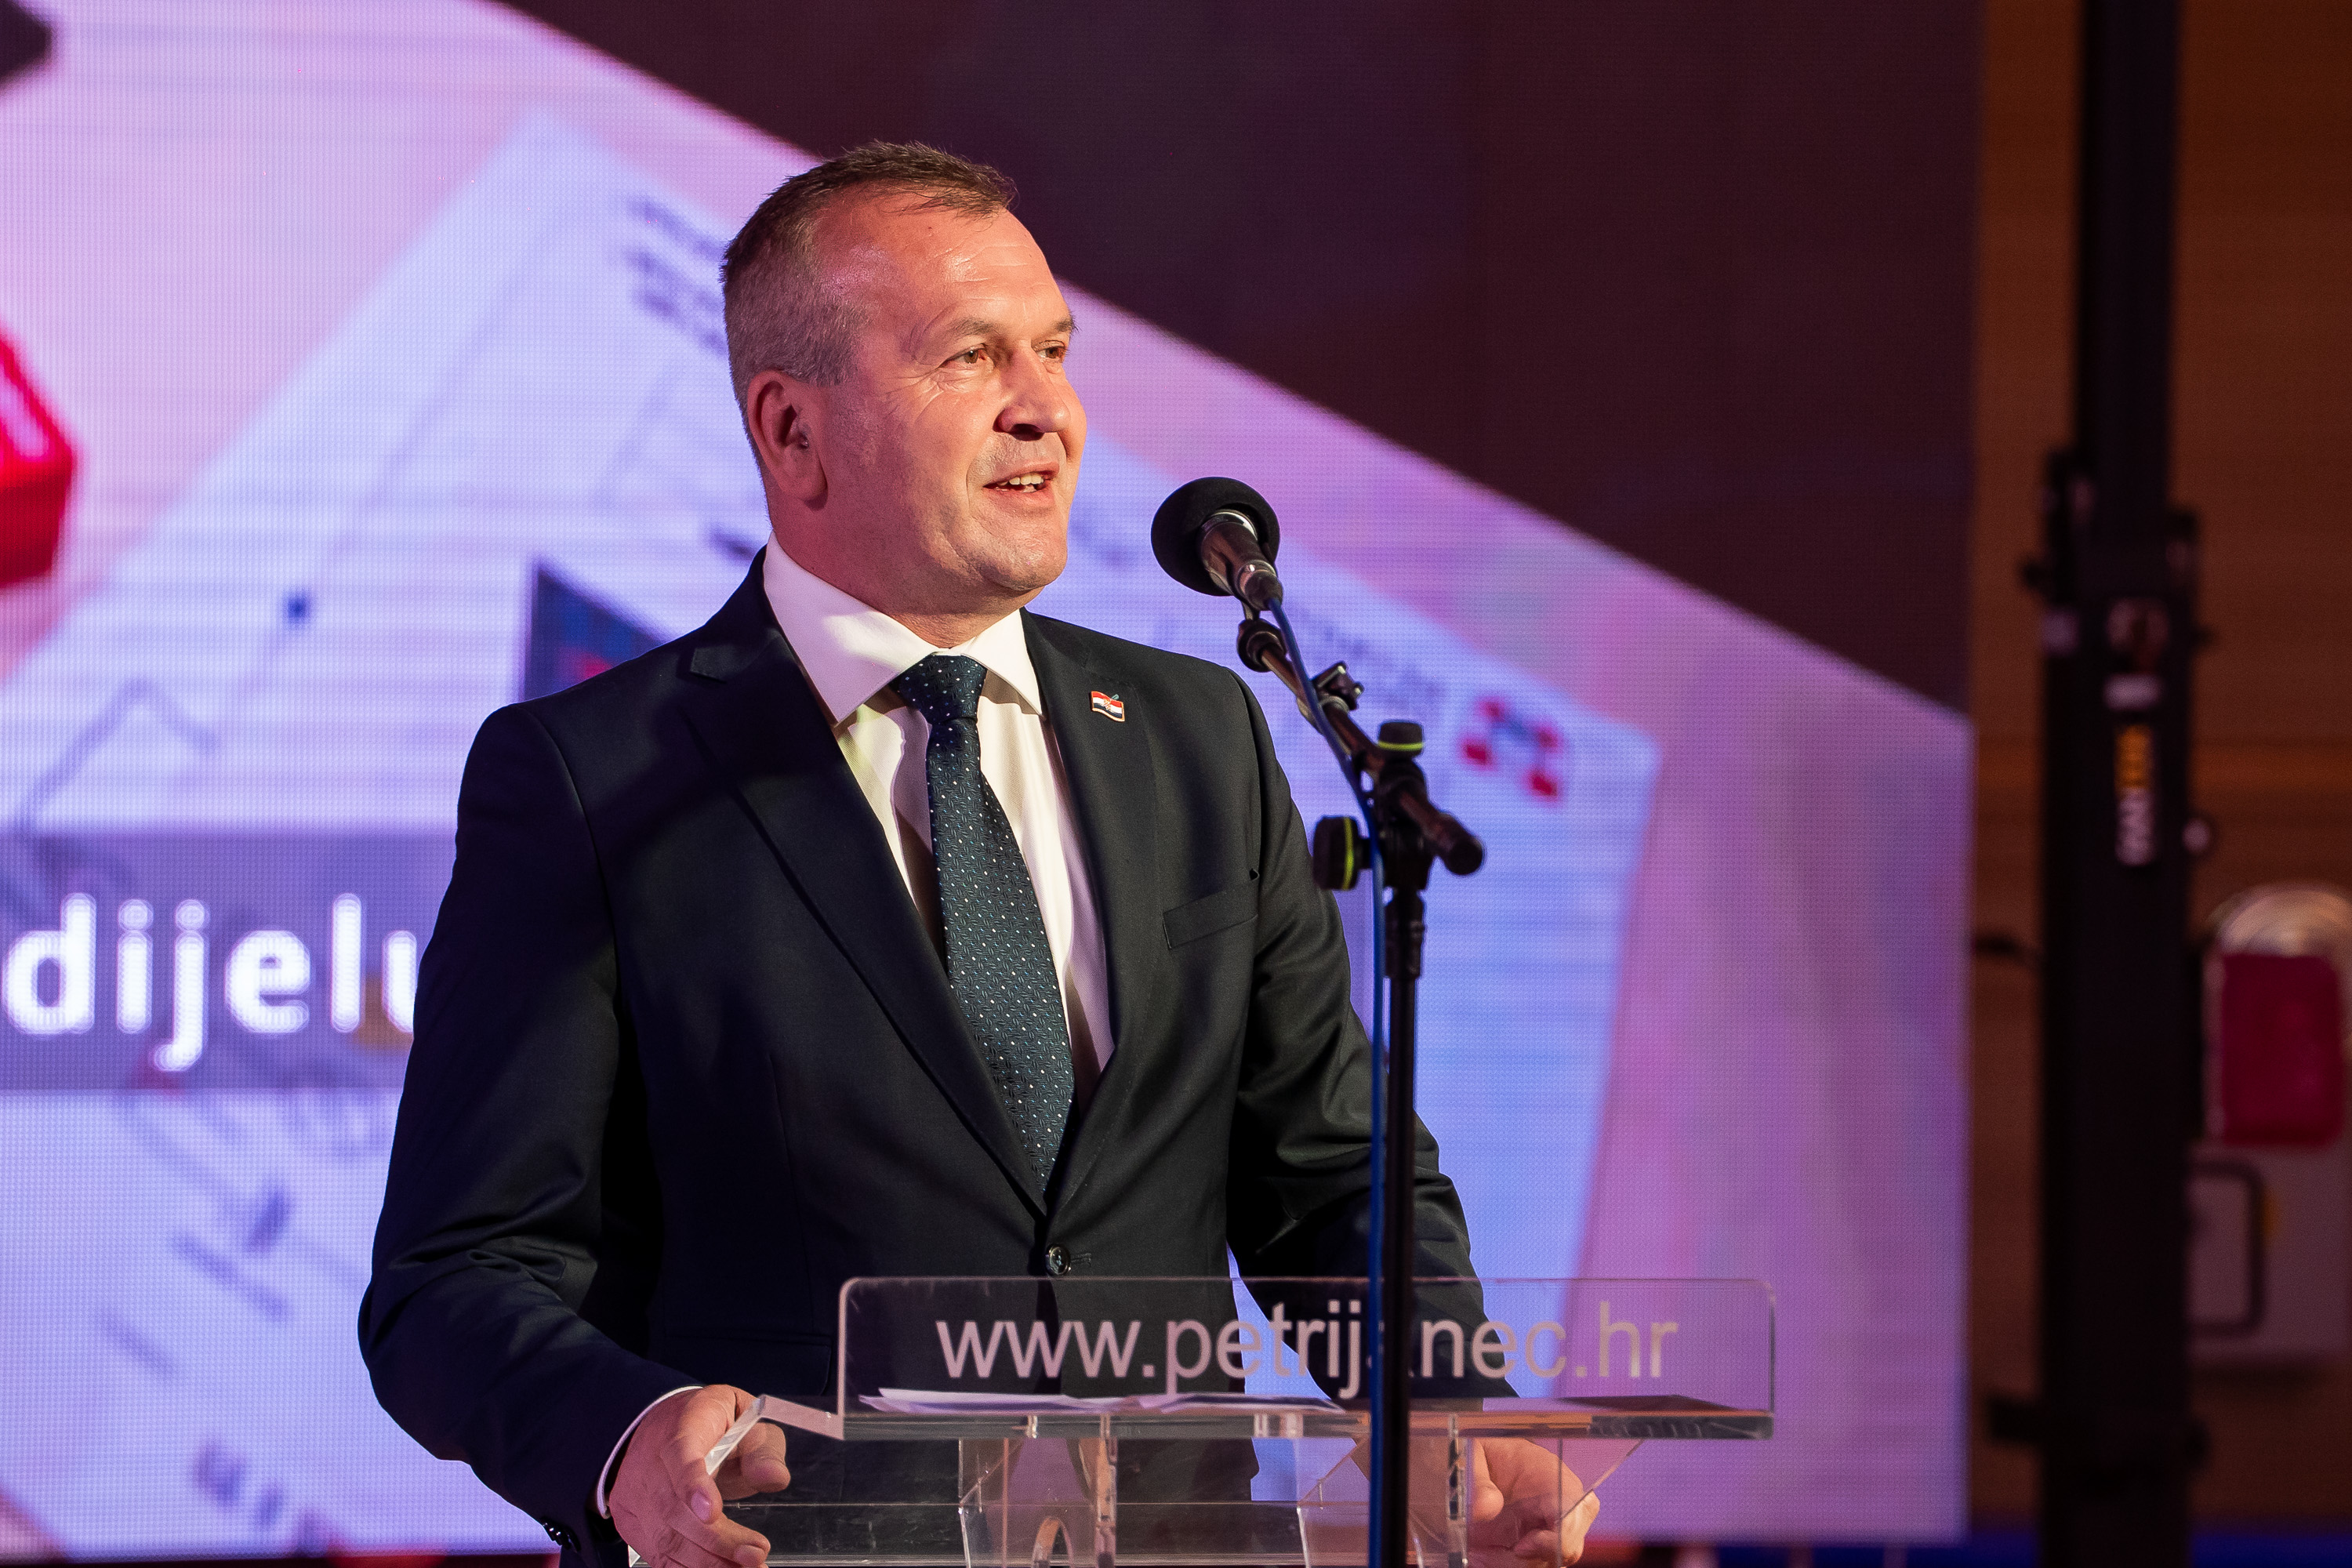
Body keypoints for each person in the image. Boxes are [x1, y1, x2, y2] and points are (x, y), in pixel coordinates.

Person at [359, 143, 1597, 1568]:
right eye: (970, 356)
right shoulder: (595, 778)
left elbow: (1328, 1172)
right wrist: (628, 1441)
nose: (1045, 409)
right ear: (793, 431)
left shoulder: (1198, 736)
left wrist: (1438, 1399)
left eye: (1054, 351)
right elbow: (454, 1278)